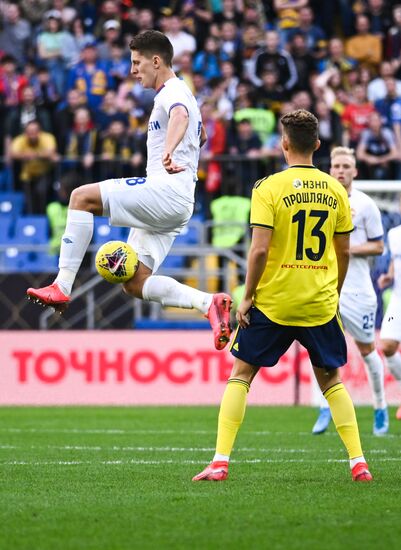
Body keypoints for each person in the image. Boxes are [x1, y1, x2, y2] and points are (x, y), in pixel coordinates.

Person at [192, 109, 372, 482]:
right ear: (318, 145)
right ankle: (358, 462)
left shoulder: (268, 187)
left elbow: (258, 251)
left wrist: (247, 298)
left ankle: (221, 461)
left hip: (274, 300)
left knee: (242, 374)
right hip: (318, 301)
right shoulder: (337, 190)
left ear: (283, 144)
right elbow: (344, 252)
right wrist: (333, 292)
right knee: (331, 381)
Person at [26, 30, 232, 351]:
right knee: (134, 284)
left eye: (137, 63)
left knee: (81, 197)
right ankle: (209, 304)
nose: (133, 70)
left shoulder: (172, 92)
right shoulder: (183, 92)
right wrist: (187, 145)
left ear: (156, 60)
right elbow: (200, 132)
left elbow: (180, 116)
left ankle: (62, 285)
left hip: (164, 192)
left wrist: (169, 149)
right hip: (177, 203)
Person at [312, 146, 388, 437]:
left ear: (355, 171)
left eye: (346, 166)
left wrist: (346, 250)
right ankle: (323, 407)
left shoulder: (366, 205)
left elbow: (378, 246)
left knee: (367, 352)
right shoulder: (321, 201)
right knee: (319, 347)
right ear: (330, 170)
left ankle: (380, 407)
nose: (341, 170)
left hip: (358, 290)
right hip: (326, 288)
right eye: (336, 166)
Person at [378, 211, 401, 420]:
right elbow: (396, 259)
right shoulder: (394, 234)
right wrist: (390, 275)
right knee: (386, 346)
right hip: (398, 298)